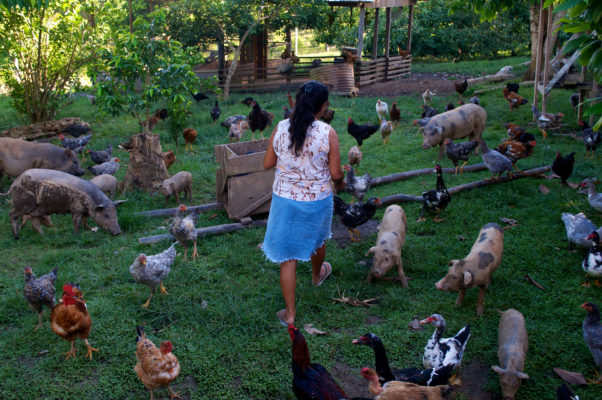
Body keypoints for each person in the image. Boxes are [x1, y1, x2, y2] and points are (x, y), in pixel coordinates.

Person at [262, 80, 344, 326]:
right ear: (324, 106)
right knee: (318, 238)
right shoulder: (328, 133)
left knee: (288, 258)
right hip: (316, 200)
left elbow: (267, 164)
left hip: (284, 200)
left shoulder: (280, 128)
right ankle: (317, 275)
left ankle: (290, 315)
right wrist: (340, 183)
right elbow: (336, 174)